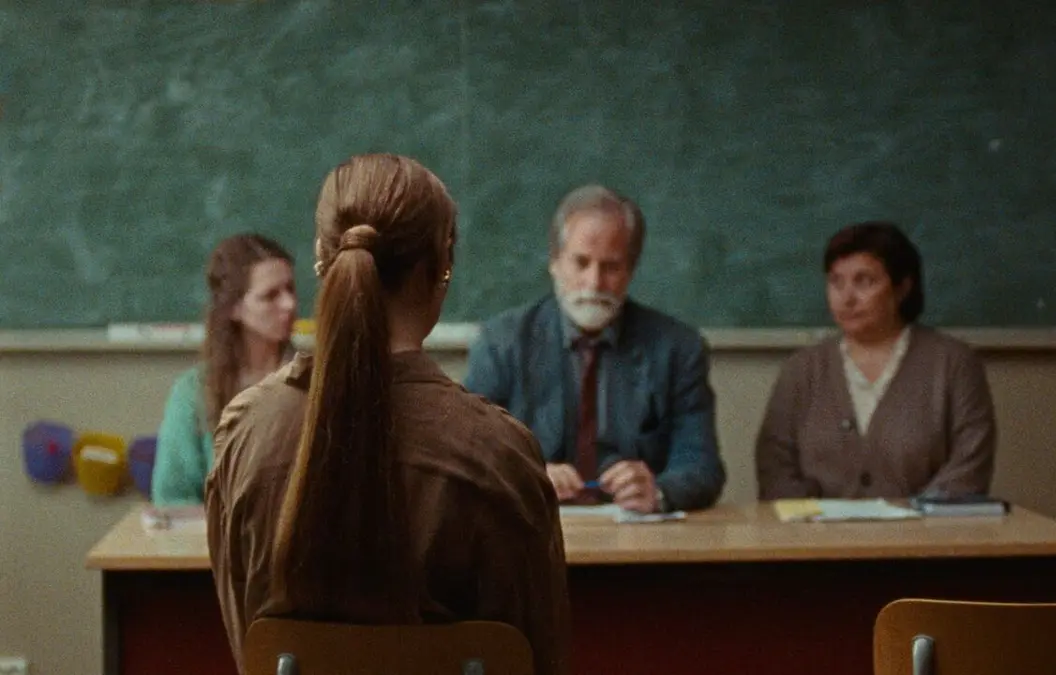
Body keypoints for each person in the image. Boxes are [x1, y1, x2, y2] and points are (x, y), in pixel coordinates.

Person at [204, 154, 570, 675]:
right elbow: (539, 656)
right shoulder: (500, 454)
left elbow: (249, 646)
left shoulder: (247, 432)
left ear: (321, 260)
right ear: (442, 267)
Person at [463, 184, 725, 514]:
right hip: (531, 528)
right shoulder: (502, 343)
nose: (594, 283)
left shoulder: (677, 349)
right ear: (555, 261)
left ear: (631, 270)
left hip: (638, 535)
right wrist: (526, 476)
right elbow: (469, 453)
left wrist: (659, 492)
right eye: (581, 263)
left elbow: (702, 465)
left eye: (611, 267)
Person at [755, 221, 997, 500]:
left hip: (925, 527)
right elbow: (774, 466)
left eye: (864, 281)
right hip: (815, 527)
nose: (847, 298)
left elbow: (969, 466)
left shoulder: (954, 364)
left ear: (902, 288)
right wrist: (810, 517)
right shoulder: (802, 369)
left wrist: (915, 517)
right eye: (836, 282)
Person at [150, 234, 297, 506]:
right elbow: (172, 498)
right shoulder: (194, 393)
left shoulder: (315, 381)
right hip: (216, 533)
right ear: (234, 308)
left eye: (290, 289)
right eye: (271, 296)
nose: (289, 304)